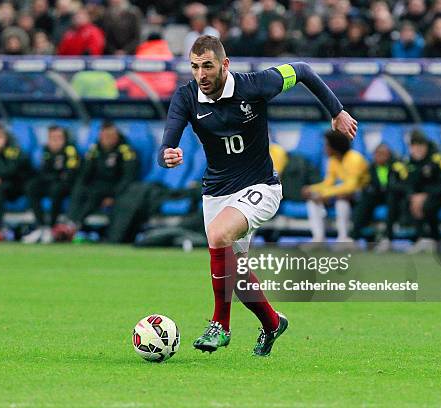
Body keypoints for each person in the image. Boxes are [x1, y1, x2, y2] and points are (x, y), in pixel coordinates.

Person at [159, 35, 357, 356]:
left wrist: (337, 112)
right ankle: (272, 322)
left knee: (219, 234)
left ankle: (220, 325)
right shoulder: (186, 97)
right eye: (194, 67)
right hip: (216, 194)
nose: (201, 75)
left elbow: (304, 70)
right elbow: (167, 142)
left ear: (224, 65)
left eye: (207, 66)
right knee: (235, 274)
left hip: (260, 187)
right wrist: (167, 154)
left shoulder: (256, 85)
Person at [64, 121, 138, 236]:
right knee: (78, 189)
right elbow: (85, 174)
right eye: (104, 136)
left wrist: (113, 196)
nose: (106, 139)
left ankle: (75, 226)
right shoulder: (95, 150)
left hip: (113, 187)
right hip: (96, 185)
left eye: (110, 136)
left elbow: (128, 178)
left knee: (94, 195)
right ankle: (69, 222)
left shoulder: (126, 151)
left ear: (116, 136)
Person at [302, 129, 369, 245]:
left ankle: (343, 238)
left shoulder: (355, 159)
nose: (324, 148)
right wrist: (312, 189)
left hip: (362, 195)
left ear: (335, 146)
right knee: (312, 200)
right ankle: (318, 238)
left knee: (341, 199)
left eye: (327, 145)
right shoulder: (333, 160)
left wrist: (325, 194)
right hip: (342, 193)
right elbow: (328, 182)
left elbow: (350, 187)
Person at [22, 126, 80, 244]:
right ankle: (41, 226)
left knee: (56, 189)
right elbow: (43, 172)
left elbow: (70, 173)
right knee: (32, 186)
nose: (55, 141)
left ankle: (51, 227)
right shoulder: (46, 151)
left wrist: (56, 176)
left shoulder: (70, 150)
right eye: (52, 138)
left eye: (58, 138)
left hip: (65, 185)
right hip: (50, 182)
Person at [350, 144, 408, 252]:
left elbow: (404, 185)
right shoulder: (370, 168)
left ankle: (387, 238)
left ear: (389, 155)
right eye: (378, 154)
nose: (380, 156)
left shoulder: (397, 167)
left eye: (383, 154)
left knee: (392, 199)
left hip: (393, 196)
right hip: (376, 196)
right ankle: (353, 237)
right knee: (364, 200)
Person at [404, 131, 441, 253]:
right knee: (410, 202)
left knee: (427, 205)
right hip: (421, 196)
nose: (418, 149)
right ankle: (422, 238)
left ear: (426, 145)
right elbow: (409, 183)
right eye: (414, 146)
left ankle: (434, 239)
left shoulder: (438, 159)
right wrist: (413, 196)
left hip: (439, 194)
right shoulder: (410, 162)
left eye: (420, 146)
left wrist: (425, 194)